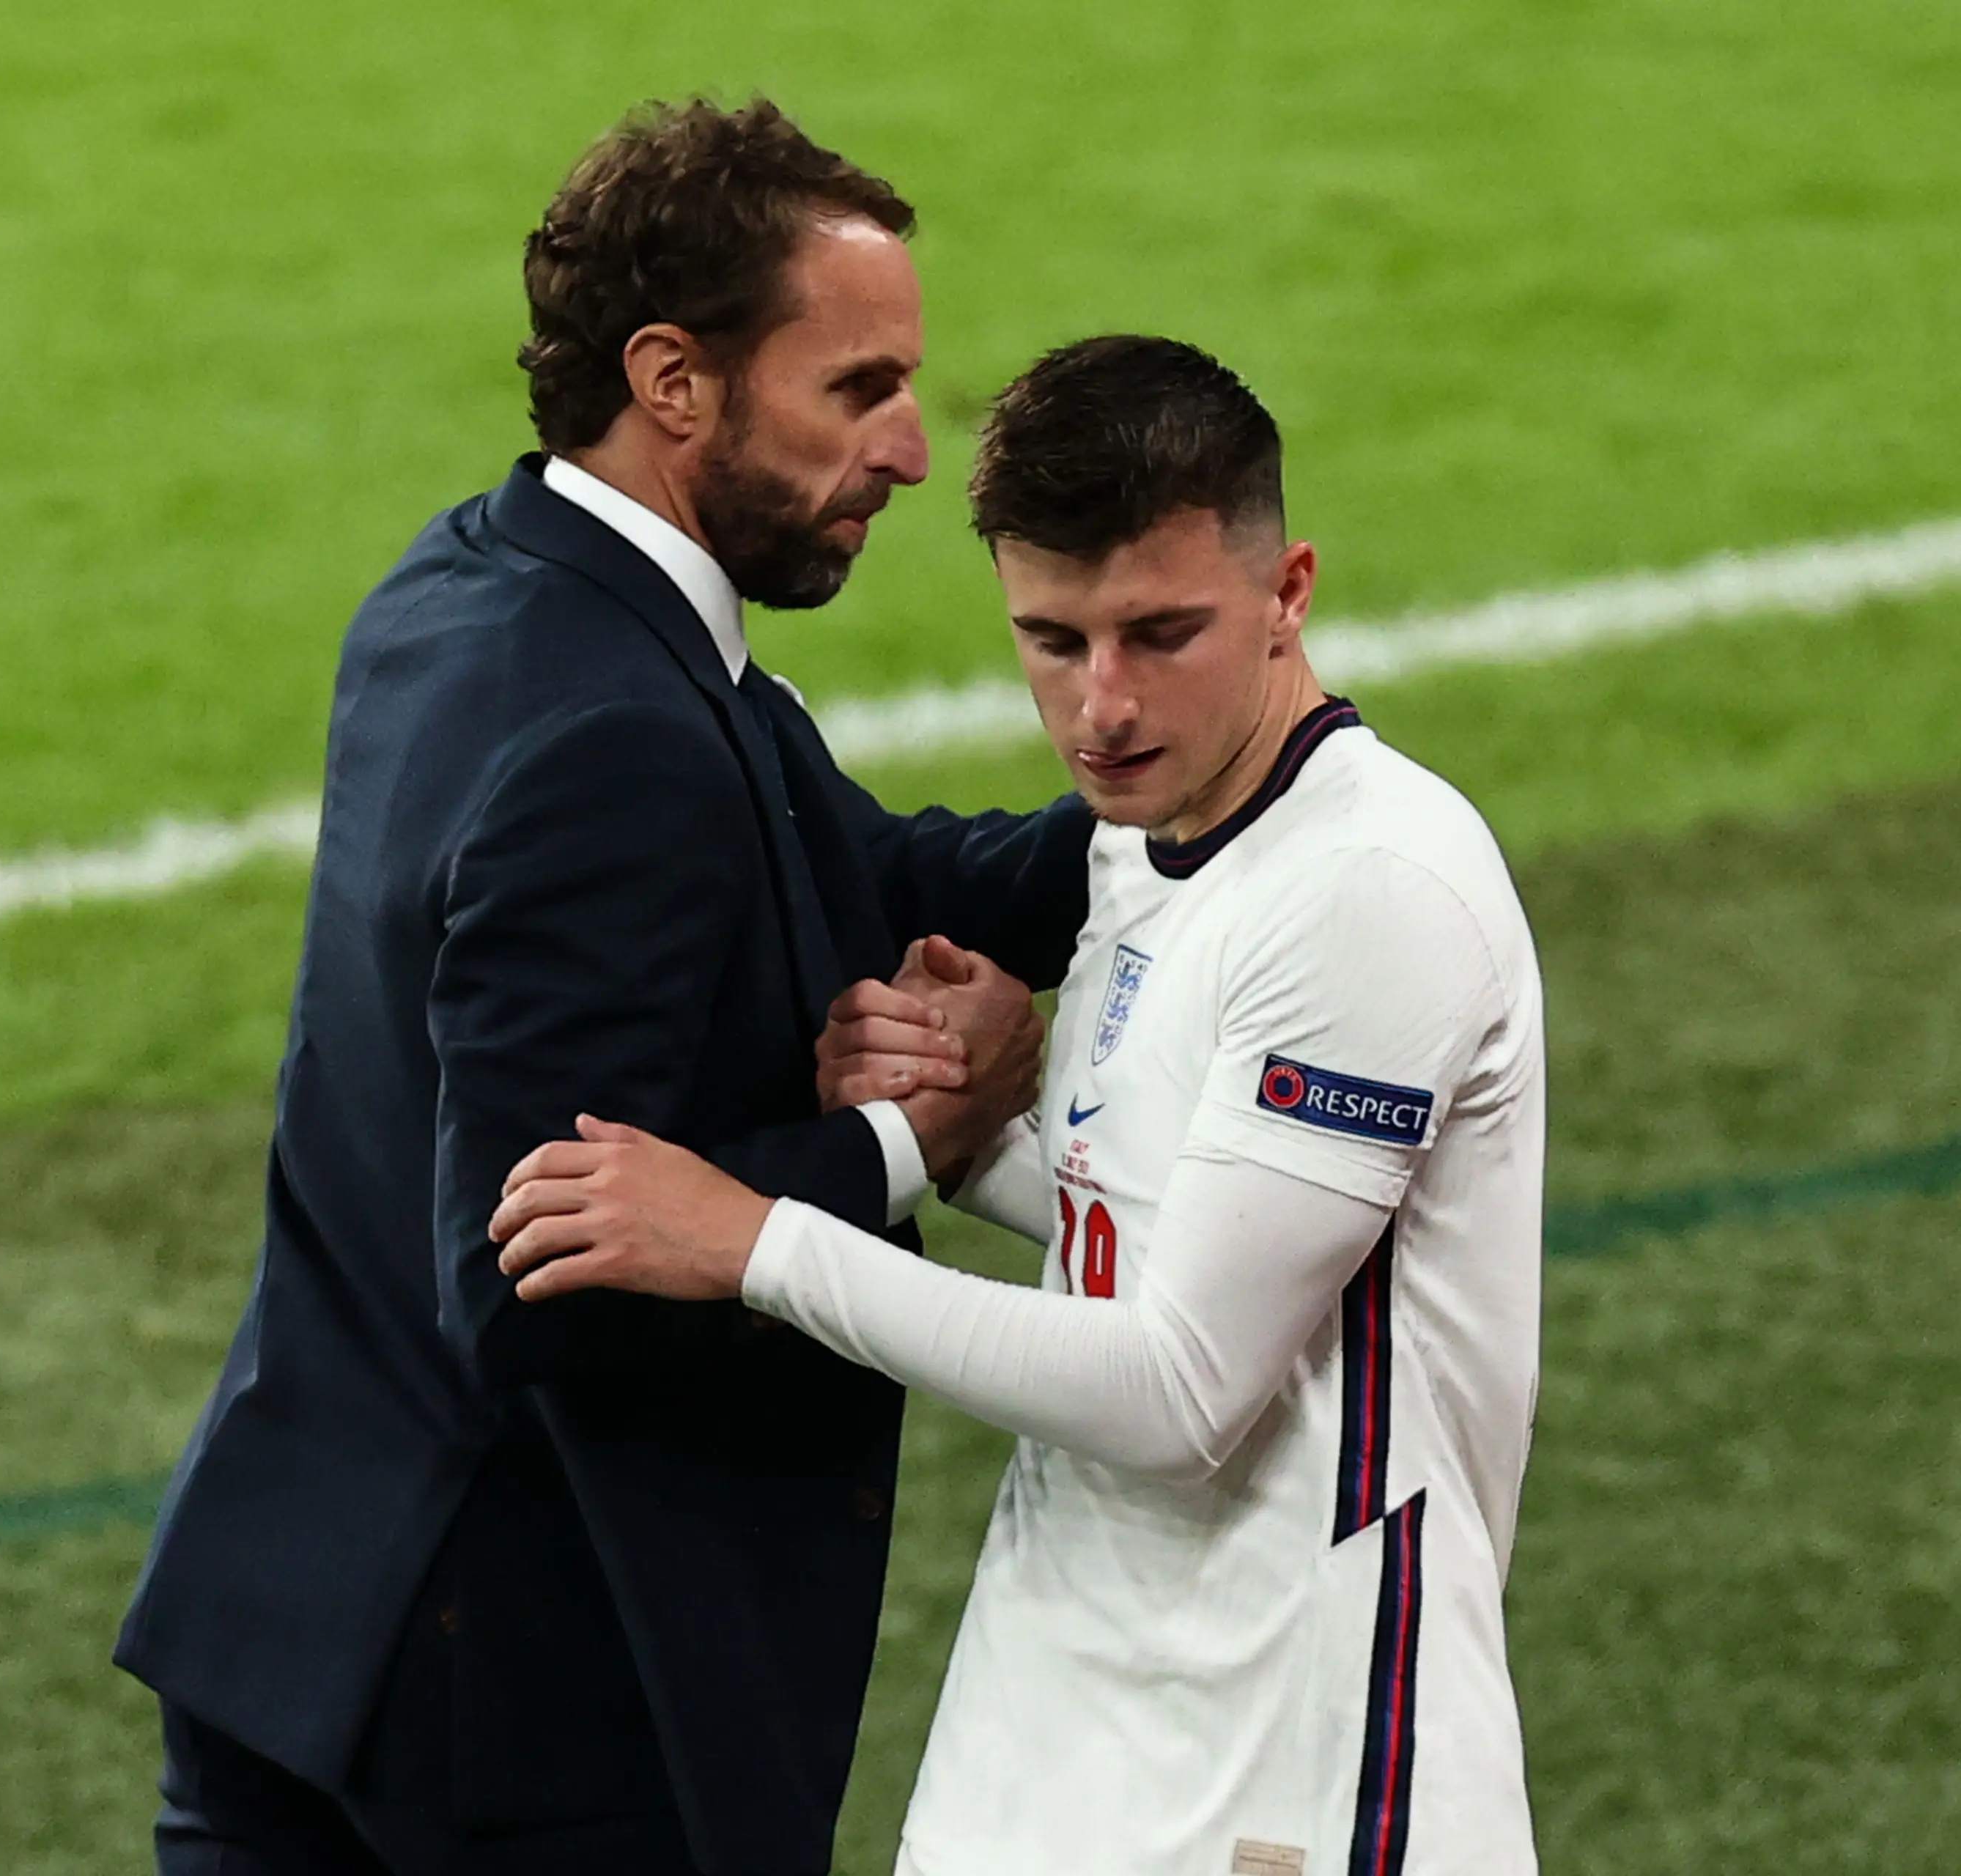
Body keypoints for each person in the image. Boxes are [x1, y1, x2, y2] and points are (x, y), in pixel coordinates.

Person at [111, 101, 1095, 1876]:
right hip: (508, 1714)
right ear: (675, 381)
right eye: (857, 388)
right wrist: (898, 1136)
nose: (908, 452)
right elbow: (534, 1283)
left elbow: (848, 866)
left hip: (309, 1613)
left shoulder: (478, 588)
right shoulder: (616, 735)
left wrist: (1224, 792)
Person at [492, 336, 1547, 1876]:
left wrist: (759, 1239)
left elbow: (1182, 1386)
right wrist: (978, 1137)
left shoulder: (1367, 891)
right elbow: (1168, 1230)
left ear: (1290, 589)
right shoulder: (1152, 823)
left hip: (1296, 1770)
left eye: (1159, 633)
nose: (1100, 706)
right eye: (1052, 640)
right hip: (1061, 1730)